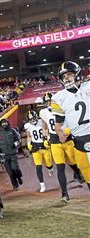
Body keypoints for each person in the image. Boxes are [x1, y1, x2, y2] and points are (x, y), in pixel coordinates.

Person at [51, 61, 90, 190]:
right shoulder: (58, 97)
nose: (67, 78)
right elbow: (58, 123)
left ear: (77, 74)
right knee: (88, 177)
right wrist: (60, 133)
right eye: (64, 76)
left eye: (69, 74)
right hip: (79, 142)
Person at [40, 92, 84, 202]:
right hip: (55, 141)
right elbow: (44, 127)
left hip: (67, 139)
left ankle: (77, 171)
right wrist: (45, 137)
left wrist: (67, 133)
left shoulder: (64, 108)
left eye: (50, 101)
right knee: (60, 167)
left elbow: (71, 122)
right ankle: (64, 194)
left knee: (73, 162)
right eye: (46, 102)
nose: (48, 103)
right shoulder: (43, 112)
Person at [24, 110, 53, 192]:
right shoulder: (28, 126)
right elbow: (29, 136)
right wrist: (29, 143)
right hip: (35, 147)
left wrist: (48, 140)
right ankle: (42, 184)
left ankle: (50, 168)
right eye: (30, 119)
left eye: (33, 118)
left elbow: (48, 131)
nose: (32, 120)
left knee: (49, 163)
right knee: (38, 167)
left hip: (44, 145)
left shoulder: (42, 122)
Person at [0, 118, 23, 191]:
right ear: (0, 124)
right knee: (10, 172)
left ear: (8, 123)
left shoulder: (12, 131)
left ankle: (19, 176)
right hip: (4, 155)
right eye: (3, 123)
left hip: (13, 154)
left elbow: (18, 139)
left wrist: (16, 143)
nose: (4, 124)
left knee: (15, 168)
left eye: (6, 123)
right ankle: (15, 185)